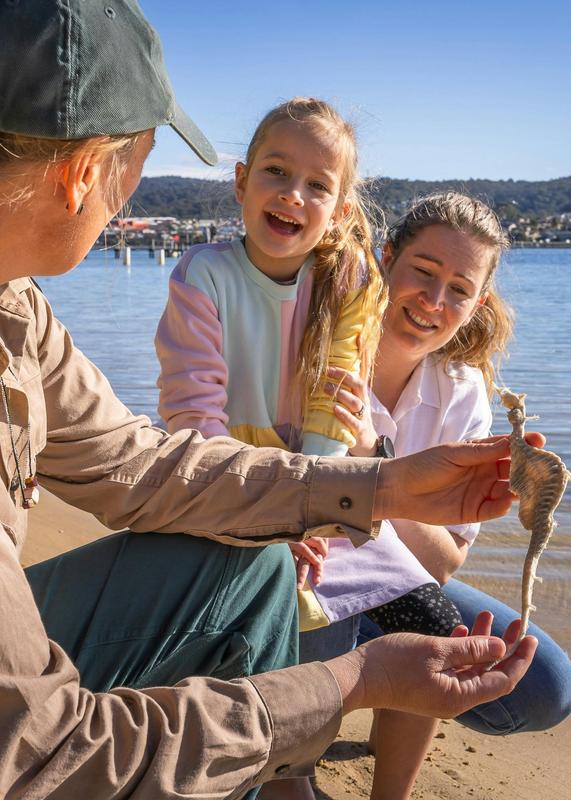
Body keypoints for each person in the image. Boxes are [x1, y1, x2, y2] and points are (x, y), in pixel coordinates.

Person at [0, 4, 539, 800]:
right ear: (83, 173)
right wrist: (350, 682)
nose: (127, 202)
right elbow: (29, 759)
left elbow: (135, 463)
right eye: (140, 164)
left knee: (248, 566)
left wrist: (379, 487)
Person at [297, 193, 571, 799]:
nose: (433, 301)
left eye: (459, 289)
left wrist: (376, 461)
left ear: (478, 302)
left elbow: (442, 561)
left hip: (405, 577)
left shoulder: (462, 390)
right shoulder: (315, 352)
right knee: (325, 622)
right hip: (304, 568)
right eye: (423, 272)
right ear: (386, 259)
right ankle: (294, 762)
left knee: (546, 687)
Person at [154, 99, 465, 649]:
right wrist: (268, 520)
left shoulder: (352, 279)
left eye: (317, 185)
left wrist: (301, 514)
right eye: (276, 171)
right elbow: (195, 414)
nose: (292, 194)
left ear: (340, 211)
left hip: (323, 493)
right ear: (242, 181)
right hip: (223, 487)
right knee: (283, 636)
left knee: (445, 636)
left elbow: (334, 408)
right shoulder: (202, 274)